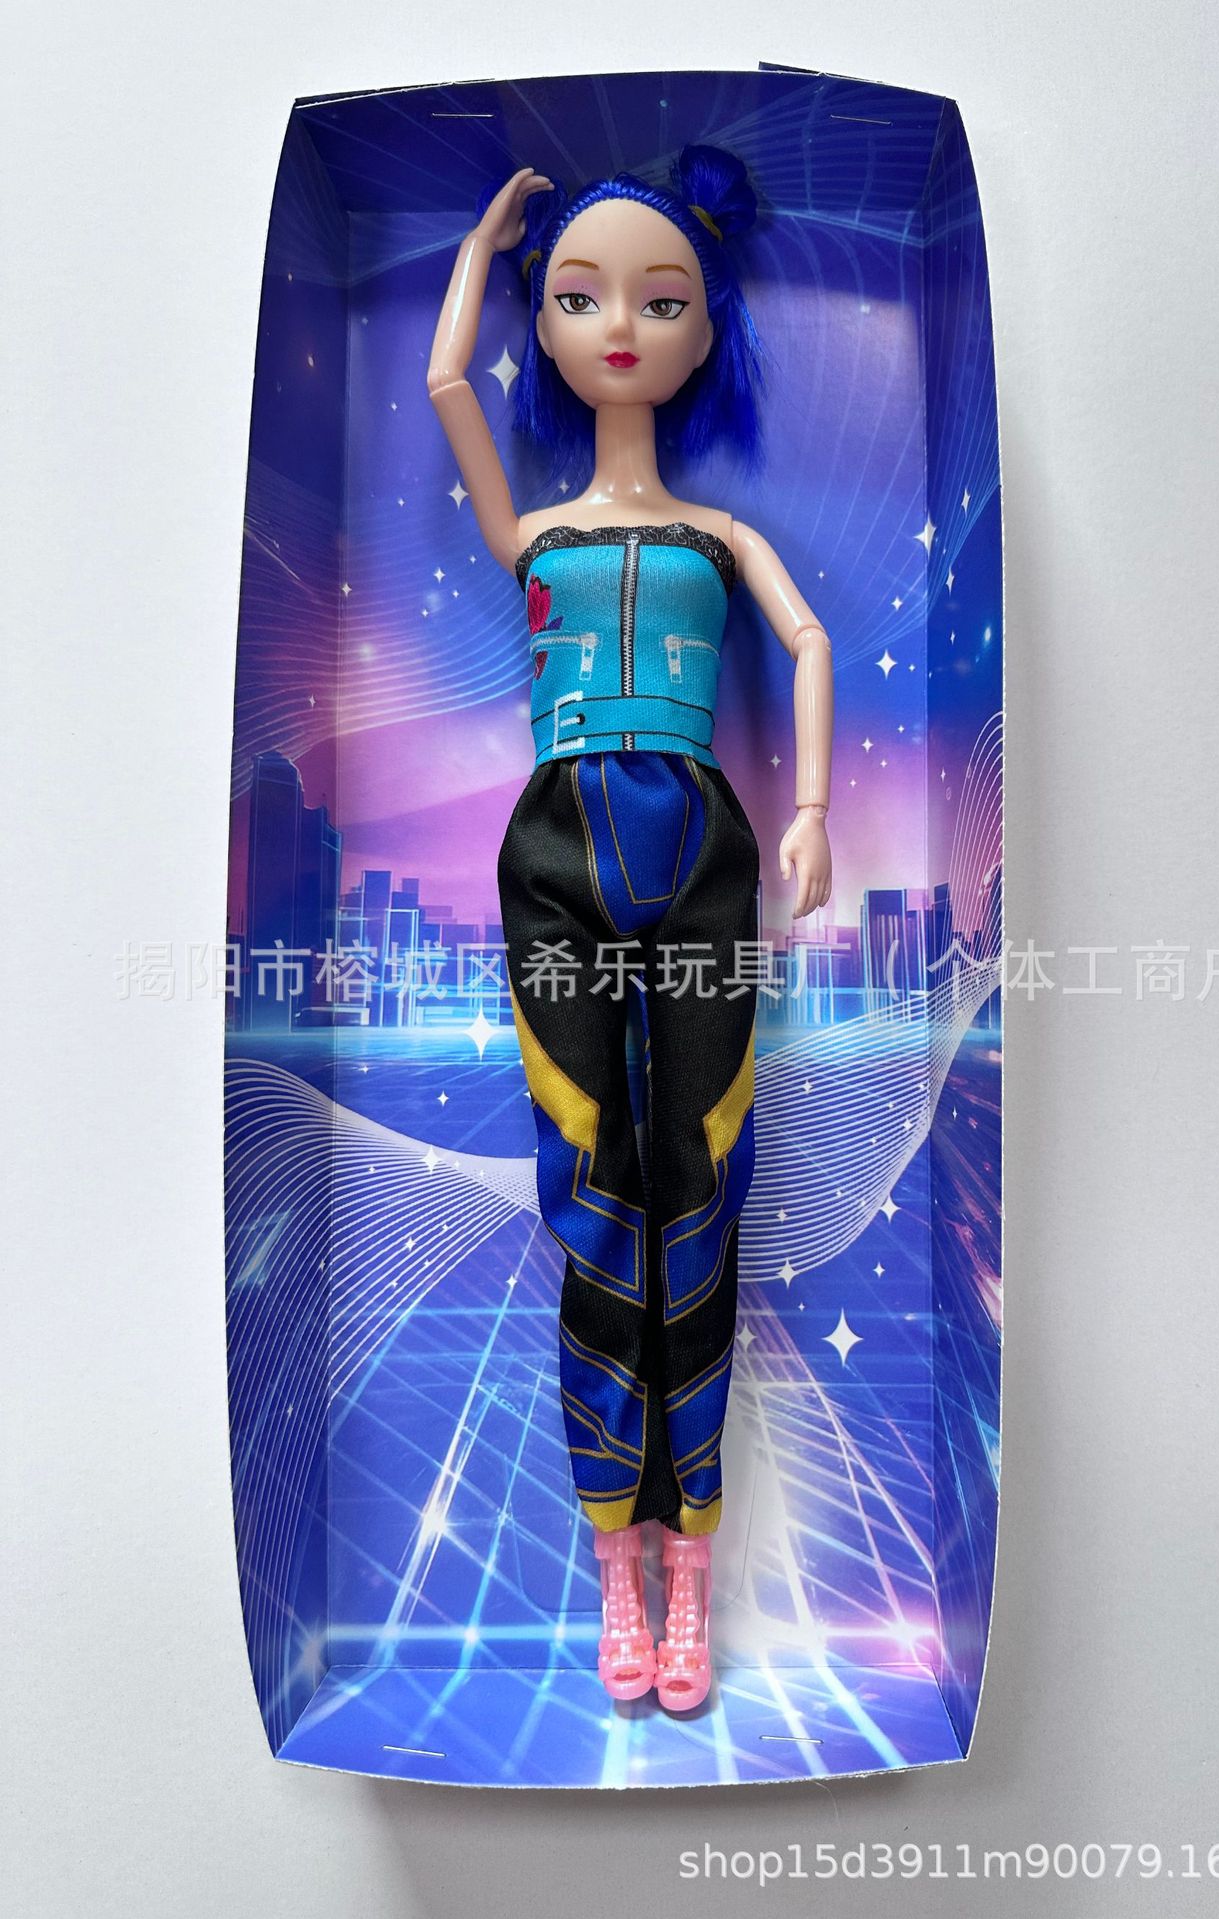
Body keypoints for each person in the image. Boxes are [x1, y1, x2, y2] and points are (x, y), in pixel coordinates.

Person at [427, 146, 834, 1711]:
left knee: (701, 1179)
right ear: (544, 321)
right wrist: (483, 247)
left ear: (705, 328)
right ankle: (617, 1552)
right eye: (578, 296)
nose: (618, 327)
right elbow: (447, 382)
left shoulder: (723, 538)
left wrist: (810, 809)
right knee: (591, 1182)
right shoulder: (531, 532)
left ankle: (695, 1555)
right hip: (554, 853)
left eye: (660, 302)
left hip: (705, 848)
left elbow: (805, 640)